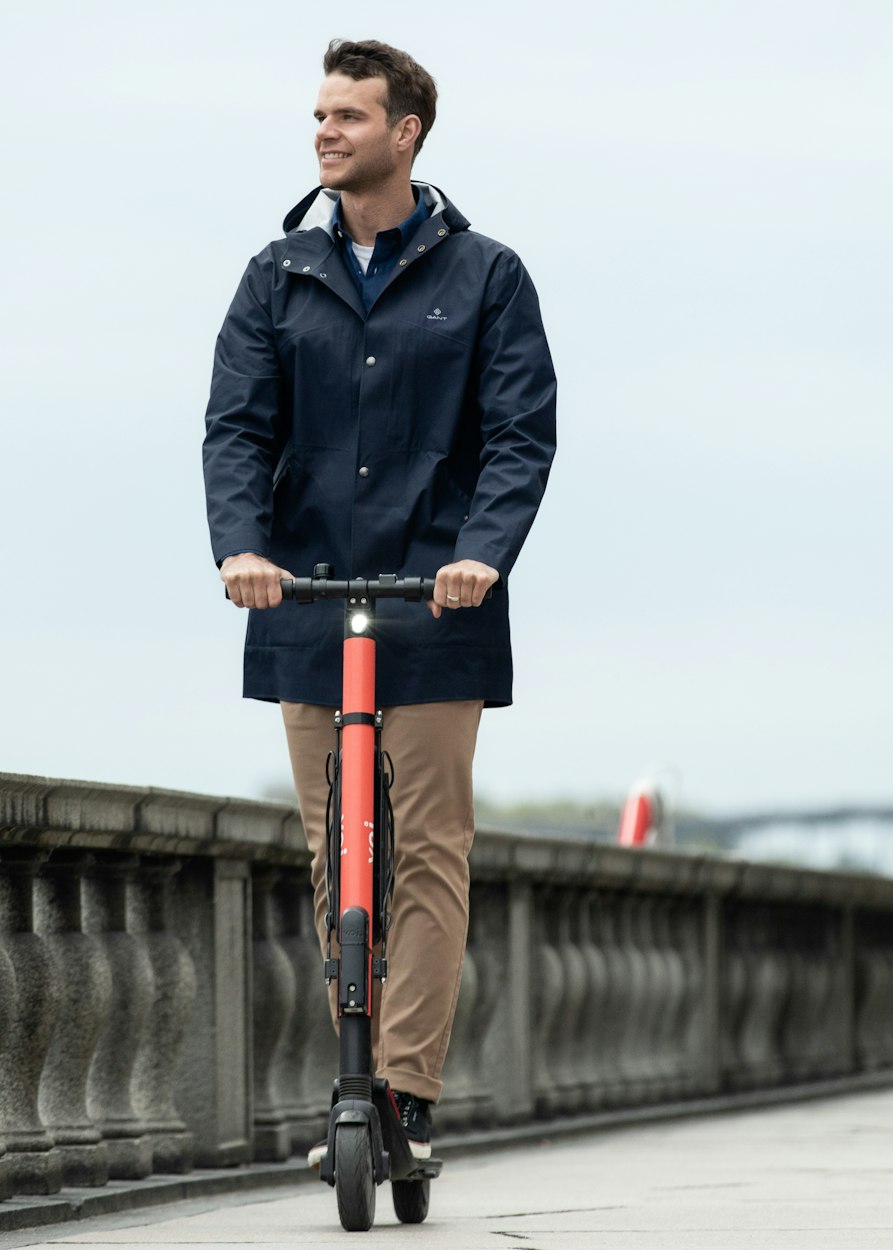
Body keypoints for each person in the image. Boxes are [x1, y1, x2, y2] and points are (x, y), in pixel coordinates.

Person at [202, 39, 556, 1163]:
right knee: (331, 848)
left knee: (430, 850)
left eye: (349, 114)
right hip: (305, 598)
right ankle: (350, 1067)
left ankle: (402, 1092)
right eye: (319, 113)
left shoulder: (485, 275)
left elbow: (518, 434)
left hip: (437, 601)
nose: (325, 130)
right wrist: (241, 547)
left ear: (405, 132)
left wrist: (482, 554)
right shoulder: (277, 274)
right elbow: (236, 429)